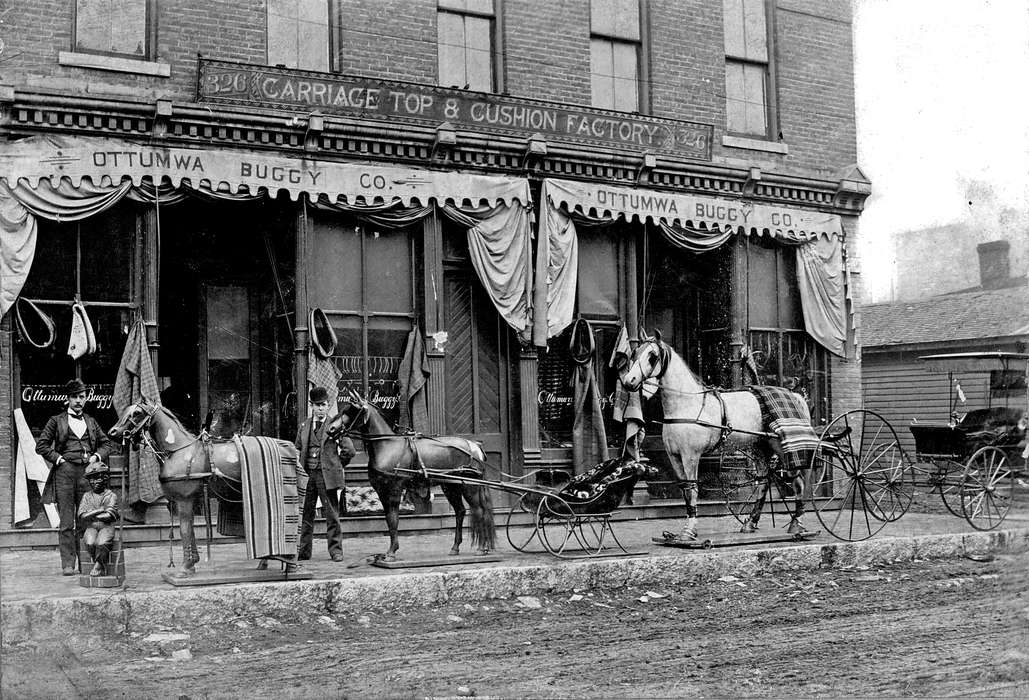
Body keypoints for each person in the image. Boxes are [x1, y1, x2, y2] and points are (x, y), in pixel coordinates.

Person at [35, 378, 115, 575]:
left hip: (88, 476)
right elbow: (42, 445)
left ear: (86, 398)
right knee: (66, 521)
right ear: (68, 399)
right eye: (74, 397)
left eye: (82, 397)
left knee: (85, 519)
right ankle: (68, 564)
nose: (78, 400)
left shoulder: (91, 421)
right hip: (65, 474)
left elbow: (107, 444)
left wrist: (96, 456)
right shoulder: (57, 420)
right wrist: (59, 459)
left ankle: (85, 562)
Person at [295, 386, 355, 562]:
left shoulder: (335, 425)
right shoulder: (304, 426)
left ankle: (336, 551)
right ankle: (304, 551)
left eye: (324, 405)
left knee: (332, 515)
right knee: (306, 514)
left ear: (329, 405)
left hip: (327, 476)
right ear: (311, 406)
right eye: (317, 405)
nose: (321, 408)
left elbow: (349, 450)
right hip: (308, 475)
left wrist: (336, 465)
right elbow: (297, 448)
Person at [77, 461, 119, 577]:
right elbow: (81, 515)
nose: (93, 482)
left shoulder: (111, 496)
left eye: (96, 479)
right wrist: (100, 510)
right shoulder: (87, 496)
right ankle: (100, 562)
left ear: (105, 479)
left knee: (101, 543)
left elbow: (109, 516)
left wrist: (90, 513)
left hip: (106, 526)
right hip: (92, 527)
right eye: (90, 479)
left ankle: (99, 565)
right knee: (90, 542)